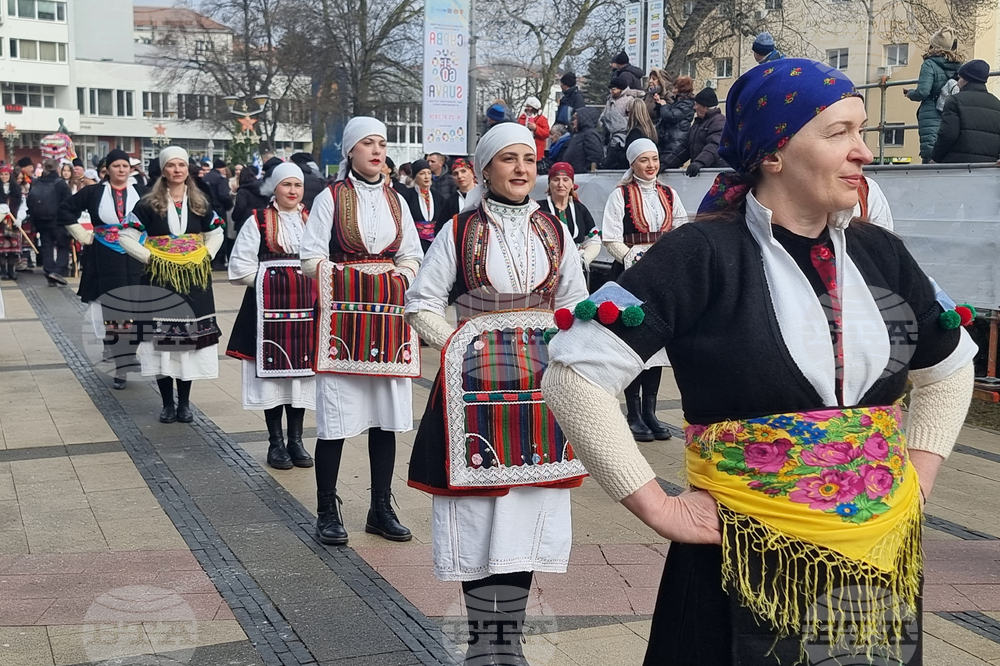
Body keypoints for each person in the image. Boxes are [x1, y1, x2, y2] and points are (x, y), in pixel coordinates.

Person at [542, 57, 977, 666]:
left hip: (876, 562)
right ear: (773, 153)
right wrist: (654, 503)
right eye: (840, 133)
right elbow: (574, 373)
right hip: (742, 562)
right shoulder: (700, 253)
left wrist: (921, 473)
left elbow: (951, 366)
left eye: (862, 130)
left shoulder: (881, 256)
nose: (863, 151)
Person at [404, 123, 589, 666]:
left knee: (528, 508)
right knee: (480, 514)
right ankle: (484, 644)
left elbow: (575, 302)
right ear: (484, 169)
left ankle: (509, 641)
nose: (521, 169)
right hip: (474, 390)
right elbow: (421, 304)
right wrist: (462, 343)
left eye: (528, 159)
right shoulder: (458, 232)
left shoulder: (554, 230)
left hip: (539, 389)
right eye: (508, 159)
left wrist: (574, 338)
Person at [299, 116, 423, 546]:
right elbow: (310, 257)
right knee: (334, 420)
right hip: (344, 319)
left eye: (382, 144)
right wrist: (358, 280)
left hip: (388, 320)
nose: (376, 150)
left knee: (385, 420)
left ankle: (380, 508)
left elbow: (412, 254)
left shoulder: (398, 200)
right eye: (367, 143)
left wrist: (401, 275)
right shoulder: (330, 198)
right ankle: (326, 510)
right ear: (349, 150)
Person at [119, 146, 225, 423]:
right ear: (163, 170)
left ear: (188, 169)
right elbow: (126, 237)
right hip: (159, 279)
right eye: (171, 165)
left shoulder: (200, 202)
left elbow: (216, 232)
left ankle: (185, 403)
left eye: (181, 165)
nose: (177, 170)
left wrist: (206, 253)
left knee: (187, 341)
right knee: (162, 342)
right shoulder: (147, 204)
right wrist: (151, 257)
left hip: (193, 279)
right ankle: (167, 403)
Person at [226, 162, 315, 470]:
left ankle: (297, 440)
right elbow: (240, 267)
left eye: (298, 186)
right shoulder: (258, 221)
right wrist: (276, 279)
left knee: (300, 378)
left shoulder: (312, 220)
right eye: (287, 185)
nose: (293, 191)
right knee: (273, 378)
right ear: (274, 188)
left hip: (306, 311)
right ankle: (275, 443)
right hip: (267, 311)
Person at [601, 138, 687, 442]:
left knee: (659, 341)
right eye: (643, 160)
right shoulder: (620, 195)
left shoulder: (668, 193)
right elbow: (610, 237)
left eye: (654, 159)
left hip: (662, 274)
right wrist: (633, 257)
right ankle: (634, 412)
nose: (650, 166)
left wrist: (669, 259)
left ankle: (651, 411)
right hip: (631, 275)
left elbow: (679, 229)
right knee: (635, 339)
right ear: (632, 163)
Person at [58, 149, 148, 390]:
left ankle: (131, 353)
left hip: (137, 255)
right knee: (113, 309)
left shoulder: (144, 192)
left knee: (139, 308)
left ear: (130, 169)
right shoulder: (93, 192)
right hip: (105, 256)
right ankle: (121, 363)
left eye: (125, 166)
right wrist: (84, 235)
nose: (121, 170)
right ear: (107, 168)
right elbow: (65, 210)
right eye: (116, 165)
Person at [905, 27, 963, 163]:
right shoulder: (958, 65)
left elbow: (923, 92)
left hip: (932, 111)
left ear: (934, 45)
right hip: (951, 109)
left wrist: (910, 94)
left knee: (930, 151)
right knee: (946, 148)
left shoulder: (929, 64)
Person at [931, 59, 1000, 163]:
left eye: (959, 78)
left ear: (966, 79)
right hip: (988, 167)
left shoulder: (955, 101)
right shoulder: (996, 104)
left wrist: (936, 158)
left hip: (958, 166)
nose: (958, 82)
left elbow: (948, 135)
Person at [536, 161, 601, 269]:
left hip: (576, 267)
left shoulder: (580, 209)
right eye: (556, 180)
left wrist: (583, 259)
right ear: (549, 184)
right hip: (545, 268)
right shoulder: (538, 209)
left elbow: (594, 239)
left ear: (572, 184)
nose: (560, 184)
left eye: (565, 180)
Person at [26, 159, 73, 286]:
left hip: (41, 221)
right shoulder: (60, 183)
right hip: (58, 221)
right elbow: (69, 203)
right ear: (58, 169)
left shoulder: (35, 183)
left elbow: (29, 202)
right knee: (63, 246)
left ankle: (49, 273)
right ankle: (57, 271)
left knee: (47, 247)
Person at [662, 87, 725, 176]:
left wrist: (700, 162)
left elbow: (714, 146)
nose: (694, 108)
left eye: (696, 104)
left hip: (713, 175)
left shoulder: (719, 122)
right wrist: (666, 163)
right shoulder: (698, 123)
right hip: (701, 174)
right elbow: (685, 147)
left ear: (704, 107)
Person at [404, 159, 446, 252]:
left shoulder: (437, 196)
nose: (427, 177)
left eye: (429, 173)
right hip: (415, 242)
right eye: (422, 173)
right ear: (415, 176)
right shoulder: (408, 196)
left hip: (435, 242)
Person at [601, 78, 644, 168]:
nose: (611, 91)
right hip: (610, 132)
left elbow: (630, 117)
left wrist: (618, 123)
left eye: (613, 89)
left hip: (622, 131)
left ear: (621, 89)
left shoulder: (629, 100)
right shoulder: (610, 100)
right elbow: (604, 113)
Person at [655, 75, 696, 164]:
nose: (673, 90)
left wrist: (664, 106)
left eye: (676, 88)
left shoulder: (686, 104)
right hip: (670, 141)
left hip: (675, 143)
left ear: (682, 89)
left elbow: (671, 116)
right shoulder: (679, 102)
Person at [0, 164, 25, 280]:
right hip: (0, 223)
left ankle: (11, 270)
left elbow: (22, 206)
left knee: (12, 249)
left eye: (6, 174)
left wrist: (20, 218)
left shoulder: (17, 191)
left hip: (13, 222)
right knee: (1, 248)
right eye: (2, 174)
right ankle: (3, 270)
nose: (4, 176)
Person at [563, 107, 605, 174]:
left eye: (575, 118)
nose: (572, 122)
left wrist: (584, 170)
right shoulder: (580, 134)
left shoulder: (590, 134)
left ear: (582, 119)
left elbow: (595, 156)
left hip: (582, 177)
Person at [440, 157, 475, 222]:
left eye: (463, 171)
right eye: (455, 174)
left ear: (472, 173)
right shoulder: (450, 202)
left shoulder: (483, 195)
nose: (460, 176)